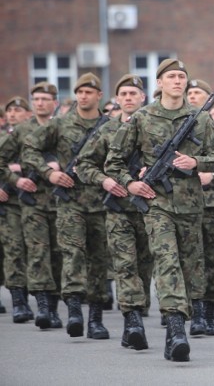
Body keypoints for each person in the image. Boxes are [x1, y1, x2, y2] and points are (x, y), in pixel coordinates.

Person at [105, 60, 214, 362]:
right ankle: (175, 332)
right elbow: (114, 162)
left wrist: (196, 163)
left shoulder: (200, 119)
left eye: (181, 76)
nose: (177, 81)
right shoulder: (142, 118)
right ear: (159, 83)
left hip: (191, 206)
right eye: (171, 76)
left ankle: (181, 320)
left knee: (189, 268)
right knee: (167, 261)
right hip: (157, 204)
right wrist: (130, 185)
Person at [23, 73, 112, 340]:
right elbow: (29, 149)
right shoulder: (60, 124)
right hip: (70, 202)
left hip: (101, 203)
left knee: (99, 261)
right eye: (79, 92)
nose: (83, 96)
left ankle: (95, 318)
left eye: (88, 92)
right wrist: (48, 173)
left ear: (99, 96)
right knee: (72, 255)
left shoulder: (110, 127)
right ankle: (74, 311)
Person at [75, 74, 153, 350]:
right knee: (124, 265)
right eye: (124, 94)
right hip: (118, 210)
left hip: (150, 210)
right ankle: (133, 322)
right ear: (117, 99)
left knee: (145, 267)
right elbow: (83, 165)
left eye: (134, 93)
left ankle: (135, 314)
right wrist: (105, 180)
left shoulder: (153, 127)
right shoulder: (106, 131)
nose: (129, 98)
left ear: (143, 97)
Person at [0, 83, 63, 329]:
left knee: (58, 255)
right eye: (36, 99)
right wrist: (16, 180)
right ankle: (42, 307)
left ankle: (55, 307)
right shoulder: (22, 131)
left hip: (60, 202)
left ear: (55, 103)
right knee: (36, 253)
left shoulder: (63, 128)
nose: (39, 103)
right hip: (31, 203)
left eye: (45, 99)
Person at [184, 78, 214, 336]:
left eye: (198, 93)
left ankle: (209, 313)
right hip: (185, 201)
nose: (192, 97)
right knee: (190, 257)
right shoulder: (177, 124)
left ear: (209, 98)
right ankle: (194, 311)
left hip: (213, 203)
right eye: (190, 93)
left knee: (212, 259)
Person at [0, 96, 34, 323]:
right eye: (10, 110)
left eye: (18, 110)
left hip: (33, 200)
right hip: (8, 201)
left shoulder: (34, 137)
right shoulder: (3, 139)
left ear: (28, 114)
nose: (13, 113)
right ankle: (19, 300)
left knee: (35, 250)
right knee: (12, 250)